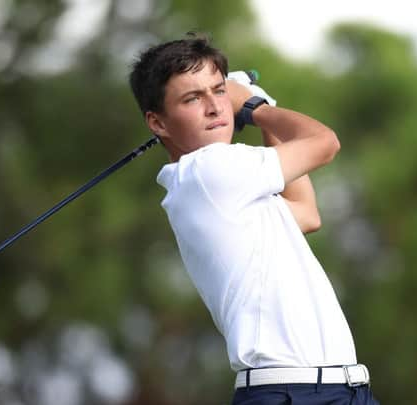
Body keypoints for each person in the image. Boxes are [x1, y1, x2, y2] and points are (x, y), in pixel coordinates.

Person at [129, 33, 380, 405]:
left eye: (218, 91)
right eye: (193, 98)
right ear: (158, 122)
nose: (216, 107)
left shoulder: (215, 188)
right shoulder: (209, 169)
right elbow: (325, 142)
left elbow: (306, 213)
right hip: (293, 394)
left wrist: (261, 113)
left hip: (337, 390)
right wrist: (254, 106)